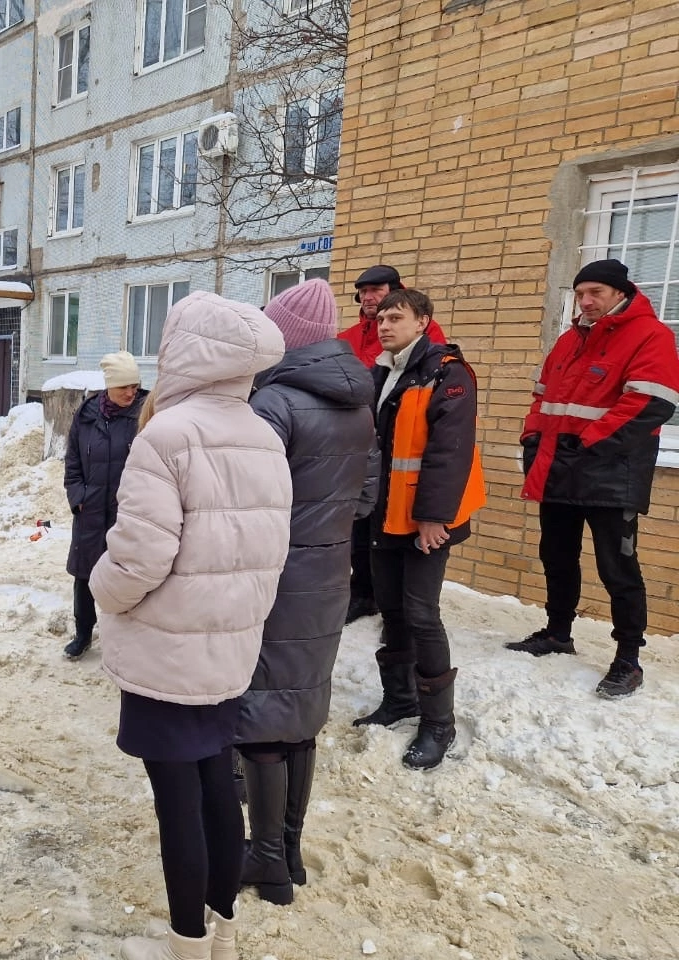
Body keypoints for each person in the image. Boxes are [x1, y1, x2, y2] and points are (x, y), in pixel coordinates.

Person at [91, 291, 292, 960]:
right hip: (228, 647)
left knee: (175, 798)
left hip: (166, 651)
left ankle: (187, 943)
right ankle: (223, 931)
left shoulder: (168, 435)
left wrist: (102, 590)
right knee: (213, 784)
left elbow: (140, 557)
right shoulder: (264, 434)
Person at [234, 279, 375, 905]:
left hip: (274, 576)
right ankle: (288, 850)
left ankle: (265, 860)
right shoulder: (361, 403)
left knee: (262, 713)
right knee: (300, 714)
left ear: (285, 339)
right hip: (328, 574)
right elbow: (365, 497)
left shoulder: (273, 404)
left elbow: (246, 502)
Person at [509, 259, 679, 699]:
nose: (586, 302)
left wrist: (588, 445)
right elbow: (541, 397)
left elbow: (650, 404)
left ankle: (628, 659)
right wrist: (532, 439)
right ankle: (557, 633)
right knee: (557, 555)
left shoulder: (651, 335)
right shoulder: (569, 341)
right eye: (581, 293)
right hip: (559, 468)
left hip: (610, 473)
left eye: (596, 293)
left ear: (620, 293)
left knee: (617, 567)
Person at [353, 289, 485, 771]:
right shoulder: (382, 370)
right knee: (391, 610)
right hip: (384, 514)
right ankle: (400, 700)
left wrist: (434, 517)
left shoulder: (447, 373)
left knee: (421, 613)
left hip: (425, 519)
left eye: (396, 317)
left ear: (423, 321)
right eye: (381, 317)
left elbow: (450, 452)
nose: (384, 324)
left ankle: (438, 724)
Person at [339, 265, 447, 623]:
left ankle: (395, 611)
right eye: (364, 291)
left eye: (376, 290)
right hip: (356, 443)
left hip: (399, 449)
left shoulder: (427, 340)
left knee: (395, 535)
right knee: (359, 528)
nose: (369, 298)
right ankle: (363, 594)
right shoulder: (348, 336)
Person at [62, 351, 147, 660]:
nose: (130, 392)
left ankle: (129, 641)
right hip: (91, 510)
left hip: (129, 513)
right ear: (108, 386)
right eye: (124, 386)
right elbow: (72, 462)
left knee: (129, 578)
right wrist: (78, 498)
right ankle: (83, 633)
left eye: (134, 385)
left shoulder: (147, 413)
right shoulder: (86, 415)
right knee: (84, 576)